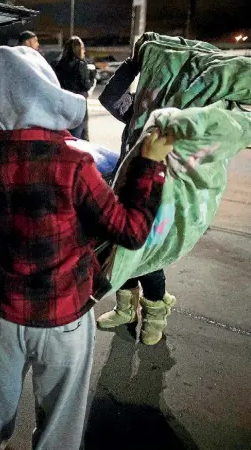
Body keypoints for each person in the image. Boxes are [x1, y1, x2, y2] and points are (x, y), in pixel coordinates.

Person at [0, 45, 173, 450]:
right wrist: (149, 165)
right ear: (46, 92)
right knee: (59, 423)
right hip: (64, 316)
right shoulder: (73, 163)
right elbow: (130, 230)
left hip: (3, 313)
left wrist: (9, 275)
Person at [96, 53, 176, 346]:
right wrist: (132, 64)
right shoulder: (138, 112)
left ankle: (156, 314)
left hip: (160, 194)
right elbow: (110, 97)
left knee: (147, 256)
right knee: (120, 248)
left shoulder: (178, 118)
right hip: (125, 187)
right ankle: (126, 309)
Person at [53, 36, 95, 141]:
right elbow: (86, 85)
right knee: (81, 135)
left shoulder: (58, 64)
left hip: (64, 102)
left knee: (67, 134)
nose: (84, 51)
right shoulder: (81, 64)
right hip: (79, 103)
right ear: (77, 49)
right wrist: (92, 76)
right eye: (82, 48)